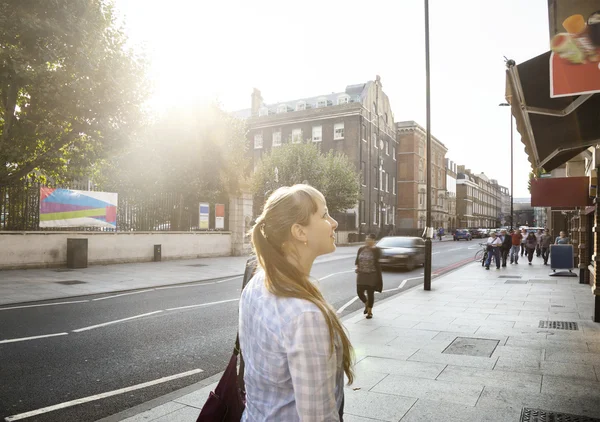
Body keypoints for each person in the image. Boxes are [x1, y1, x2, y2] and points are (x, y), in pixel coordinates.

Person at [239, 184, 353, 421]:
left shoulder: (255, 283)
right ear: (299, 232)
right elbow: (317, 417)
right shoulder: (305, 314)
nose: (334, 223)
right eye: (324, 215)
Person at [355, 234, 383, 319]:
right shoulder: (361, 249)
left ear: (373, 240)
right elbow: (357, 260)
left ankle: (370, 312)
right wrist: (357, 268)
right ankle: (366, 303)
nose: (367, 241)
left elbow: (378, 261)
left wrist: (373, 249)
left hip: (372, 275)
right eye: (366, 239)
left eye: (369, 239)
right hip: (361, 274)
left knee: (370, 293)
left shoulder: (377, 250)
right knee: (359, 292)